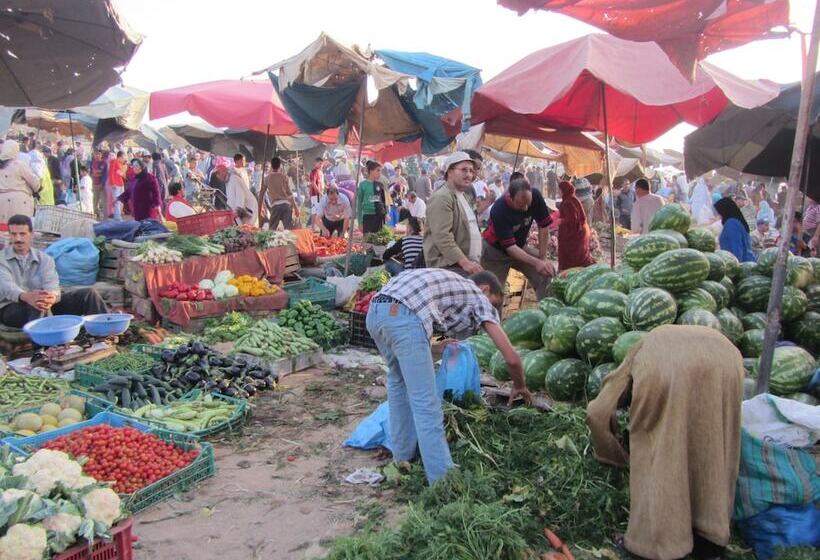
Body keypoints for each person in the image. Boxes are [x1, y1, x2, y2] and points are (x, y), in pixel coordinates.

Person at [587, 325, 742, 560]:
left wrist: (612, 455)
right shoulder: (719, 346)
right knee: (710, 439)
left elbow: (597, 413)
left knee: (659, 450)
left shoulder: (640, 352)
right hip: (728, 358)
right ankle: (710, 538)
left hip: (667, 363)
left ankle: (652, 544)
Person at [366, 268, 533, 484]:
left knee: (398, 384)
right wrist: (519, 385)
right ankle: (442, 480)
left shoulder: (453, 286)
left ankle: (403, 458)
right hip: (404, 315)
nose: (492, 311)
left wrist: (434, 348)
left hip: (377, 311)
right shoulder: (478, 296)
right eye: (495, 304)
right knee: (426, 403)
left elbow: (404, 328)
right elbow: (511, 357)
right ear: (485, 289)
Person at [0, 215, 108, 329]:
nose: (18, 239)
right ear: (9, 235)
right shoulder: (2, 259)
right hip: (10, 308)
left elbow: (52, 285)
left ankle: (104, 336)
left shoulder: (44, 259)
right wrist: (27, 296)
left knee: (88, 294)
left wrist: (52, 296)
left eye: (22, 234)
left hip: (44, 306)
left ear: (31, 235)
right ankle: (45, 346)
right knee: (38, 304)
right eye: (14, 234)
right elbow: (7, 287)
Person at [480, 177, 555, 298]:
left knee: (546, 273)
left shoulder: (535, 195)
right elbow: (510, 248)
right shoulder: (499, 209)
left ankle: (549, 311)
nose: (526, 208)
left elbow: (544, 227)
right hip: (495, 254)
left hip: (520, 246)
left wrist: (542, 258)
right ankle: (492, 317)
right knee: (493, 294)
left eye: (528, 204)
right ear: (510, 197)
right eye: (521, 205)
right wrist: (537, 262)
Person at [423, 152, 484, 275]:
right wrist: (465, 263)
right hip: (448, 267)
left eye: (471, 171)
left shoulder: (463, 196)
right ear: (449, 172)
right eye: (464, 170)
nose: (469, 175)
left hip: (462, 265)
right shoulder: (442, 197)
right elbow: (443, 236)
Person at [557, 180, 597, 271]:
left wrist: (561, 221)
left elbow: (573, 219)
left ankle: (570, 273)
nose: (558, 192)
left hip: (575, 233)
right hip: (580, 231)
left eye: (559, 190)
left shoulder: (568, 202)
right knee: (580, 255)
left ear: (564, 190)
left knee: (573, 257)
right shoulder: (572, 198)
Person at [0, 141, 41, 224]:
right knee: (20, 227)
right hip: (19, 202)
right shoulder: (19, 164)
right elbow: (33, 181)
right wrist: (38, 187)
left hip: (2, 201)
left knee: (4, 229)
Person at [258, 157, 298, 230]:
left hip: (275, 206)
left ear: (271, 166)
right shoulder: (284, 177)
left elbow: (261, 195)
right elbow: (290, 195)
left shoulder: (267, 178)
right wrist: (296, 208)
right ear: (280, 166)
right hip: (286, 205)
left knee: (272, 231)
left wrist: (260, 209)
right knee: (288, 231)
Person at [714, 198, 756, 262]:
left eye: (719, 212)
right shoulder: (736, 221)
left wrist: (736, 266)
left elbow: (737, 247)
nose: (719, 215)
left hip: (742, 264)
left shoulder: (731, 223)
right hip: (746, 261)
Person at [356, 161, 388, 234]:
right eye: (378, 170)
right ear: (371, 171)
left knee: (378, 241)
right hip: (368, 216)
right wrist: (360, 222)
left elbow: (383, 201)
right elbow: (359, 204)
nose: (380, 173)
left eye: (380, 171)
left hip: (379, 216)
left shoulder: (380, 185)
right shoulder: (362, 185)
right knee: (367, 241)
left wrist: (385, 214)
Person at [226, 154, 258, 225]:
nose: (244, 162)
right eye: (243, 160)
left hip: (247, 198)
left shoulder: (245, 171)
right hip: (238, 200)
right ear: (237, 161)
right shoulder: (233, 171)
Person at [107, 151, 126, 219]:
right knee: (117, 201)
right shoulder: (114, 161)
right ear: (120, 157)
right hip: (116, 185)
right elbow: (111, 173)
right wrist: (112, 183)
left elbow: (120, 174)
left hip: (120, 184)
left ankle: (118, 215)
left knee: (121, 201)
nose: (124, 159)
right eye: (123, 157)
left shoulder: (120, 164)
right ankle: (117, 217)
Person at [309, 157, 325, 225]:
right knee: (314, 211)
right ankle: (313, 227)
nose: (321, 165)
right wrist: (319, 192)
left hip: (320, 193)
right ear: (315, 163)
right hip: (315, 194)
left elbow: (321, 183)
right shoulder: (314, 171)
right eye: (319, 163)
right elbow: (313, 183)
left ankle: (319, 225)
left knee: (320, 211)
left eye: (322, 164)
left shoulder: (320, 172)